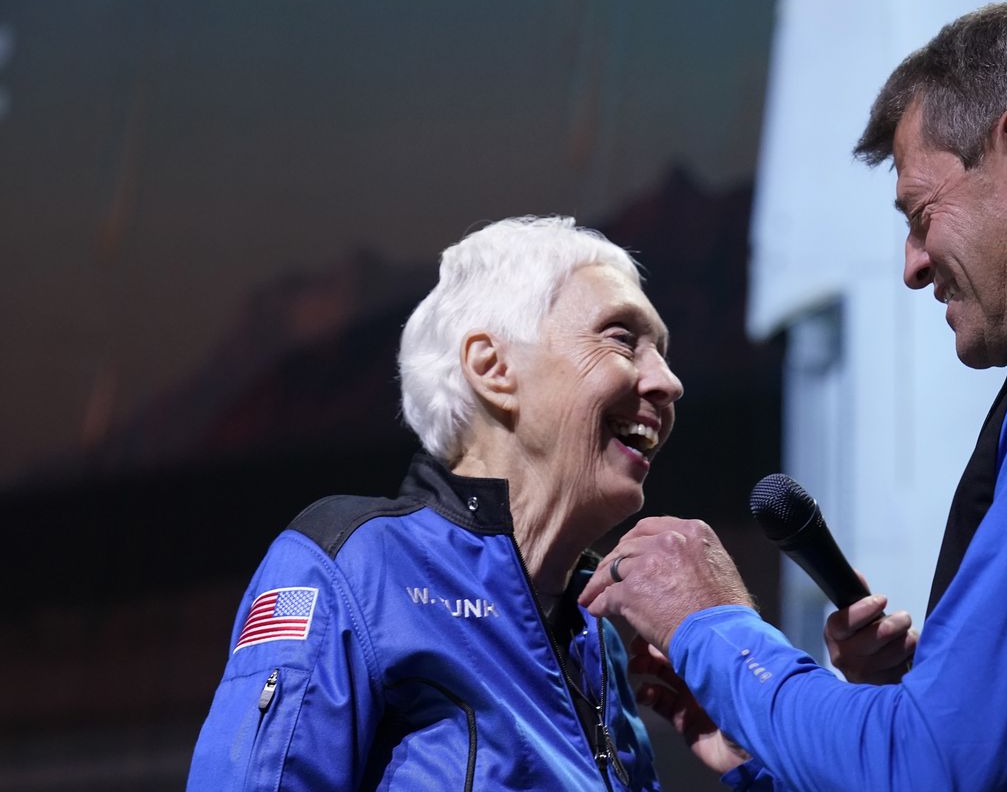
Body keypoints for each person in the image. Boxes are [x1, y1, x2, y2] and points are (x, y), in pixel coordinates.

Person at [580, 0, 1007, 791]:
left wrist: (711, 626)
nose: (912, 264)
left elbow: (935, 766)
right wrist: (763, 743)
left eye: (921, 213)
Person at [187, 216, 684, 790]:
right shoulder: (353, 563)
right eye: (622, 338)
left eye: (663, 353)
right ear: (493, 369)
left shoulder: (598, 632)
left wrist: (746, 762)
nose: (668, 381)